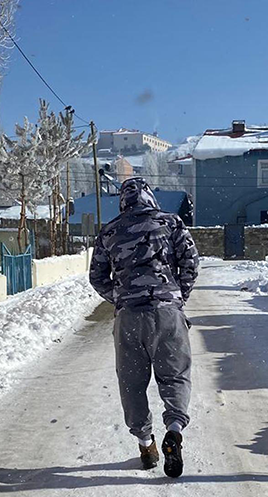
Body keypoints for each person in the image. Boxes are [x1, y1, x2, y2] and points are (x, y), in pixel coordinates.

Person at [89, 177, 199, 478]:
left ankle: (146, 442)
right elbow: (191, 263)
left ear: (122, 201)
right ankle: (174, 429)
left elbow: (97, 277)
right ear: (151, 198)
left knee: (132, 382)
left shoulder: (110, 231)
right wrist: (177, 296)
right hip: (167, 314)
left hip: (129, 318)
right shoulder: (172, 223)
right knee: (174, 375)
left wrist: (122, 298)